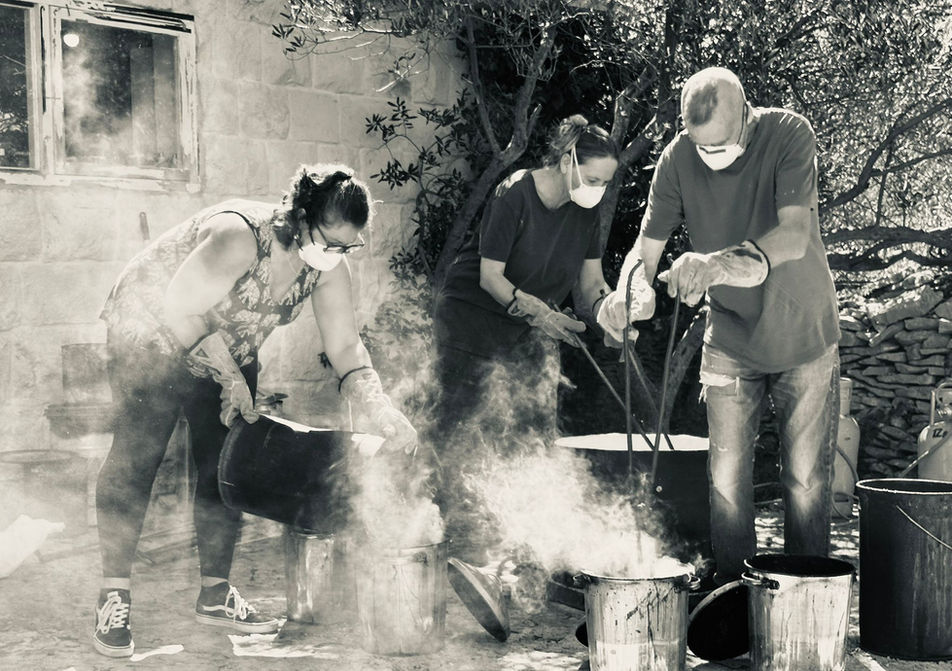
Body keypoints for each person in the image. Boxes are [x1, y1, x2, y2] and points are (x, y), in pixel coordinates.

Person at [93, 164, 417, 657]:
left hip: (229, 345)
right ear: (300, 216)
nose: (335, 257)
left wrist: (380, 407)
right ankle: (113, 595)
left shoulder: (327, 268)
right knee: (138, 456)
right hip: (151, 331)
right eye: (330, 243)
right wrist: (226, 376)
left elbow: (346, 346)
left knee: (226, 462)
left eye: (346, 248)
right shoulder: (238, 237)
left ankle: (215, 592)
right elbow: (178, 304)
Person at [598, 67, 840, 586]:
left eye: (721, 145)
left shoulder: (788, 134)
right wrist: (626, 298)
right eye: (700, 145)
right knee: (727, 481)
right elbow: (645, 255)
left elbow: (794, 236)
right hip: (730, 338)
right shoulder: (677, 158)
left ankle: (806, 601)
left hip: (804, 335)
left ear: (747, 118)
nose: (710, 156)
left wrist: (713, 264)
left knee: (803, 481)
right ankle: (732, 601)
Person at [432, 114, 620, 563]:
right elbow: (490, 277)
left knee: (534, 433)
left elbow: (591, 284)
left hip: (532, 327)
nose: (598, 189)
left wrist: (614, 311)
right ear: (567, 158)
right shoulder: (515, 191)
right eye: (593, 178)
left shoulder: (586, 211)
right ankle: (439, 541)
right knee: (454, 432)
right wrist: (538, 311)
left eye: (605, 183)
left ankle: (523, 550)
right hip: (470, 320)